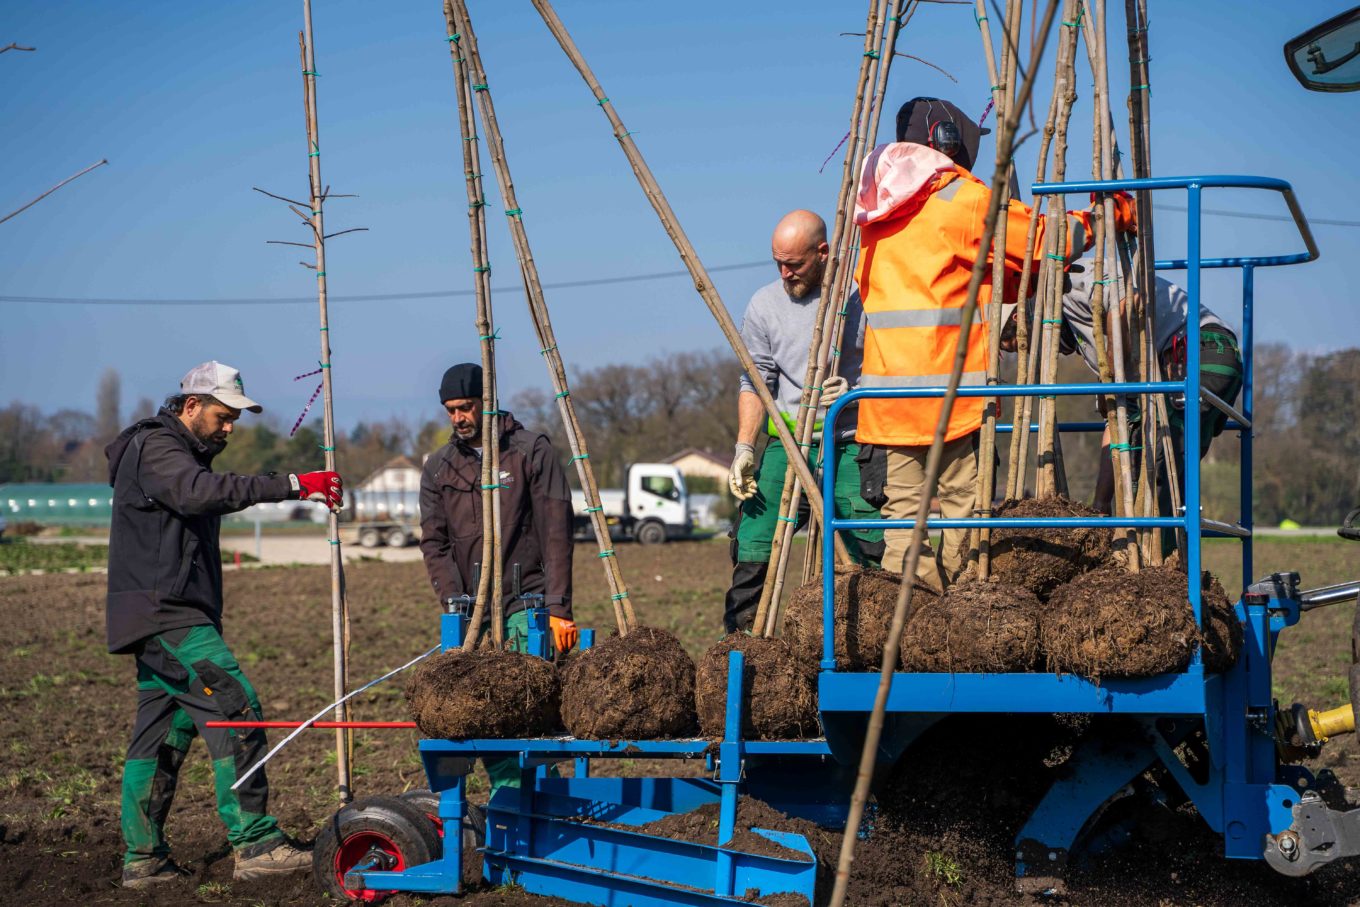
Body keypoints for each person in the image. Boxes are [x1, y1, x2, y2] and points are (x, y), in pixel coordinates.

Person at [853, 97, 1127, 589]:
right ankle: (958, 621)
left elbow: (959, 268)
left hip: (887, 403)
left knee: (902, 525)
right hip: (954, 398)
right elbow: (1046, 239)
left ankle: (908, 625)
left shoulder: (875, 211)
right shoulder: (960, 200)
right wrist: (1103, 219)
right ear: (946, 142)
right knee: (965, 517)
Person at [105, 361, 345, 888]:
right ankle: (257, 843)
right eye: (223, 415)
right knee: (235, 706)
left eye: (235, 418)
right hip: (165, 613)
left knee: (163, 732)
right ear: (190, 406)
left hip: (160, 614)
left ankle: (143, 859)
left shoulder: (178, 453)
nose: (230, 428)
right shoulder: (159, 449)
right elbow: (199, 492)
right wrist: (293, 484)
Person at [723, 209, 884, 634]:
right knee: (753, 535)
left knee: (864, 541)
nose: (785, 272)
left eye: (794, 263)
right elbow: (756, 380)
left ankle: (865, 639)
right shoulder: (764, 304)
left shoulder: (860, 296)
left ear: (823, 251)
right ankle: (739, 643)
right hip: (789, 443)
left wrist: (854, 390)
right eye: (778, 262)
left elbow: (892, 364)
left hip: (852, 439)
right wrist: (744, 447)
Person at [1000, 257, 1244, 514]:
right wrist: (1101, 503)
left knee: (1156, 466)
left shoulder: (1071, 281)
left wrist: (1113, 378)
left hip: (1200, 352)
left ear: (1020, 316)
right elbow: (1116, 423)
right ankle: (1174, 549)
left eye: (1021, 344)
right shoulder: (1095, 351)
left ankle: (1159, 548)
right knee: (1171, 470)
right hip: (1192, 362)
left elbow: (1126, 304)